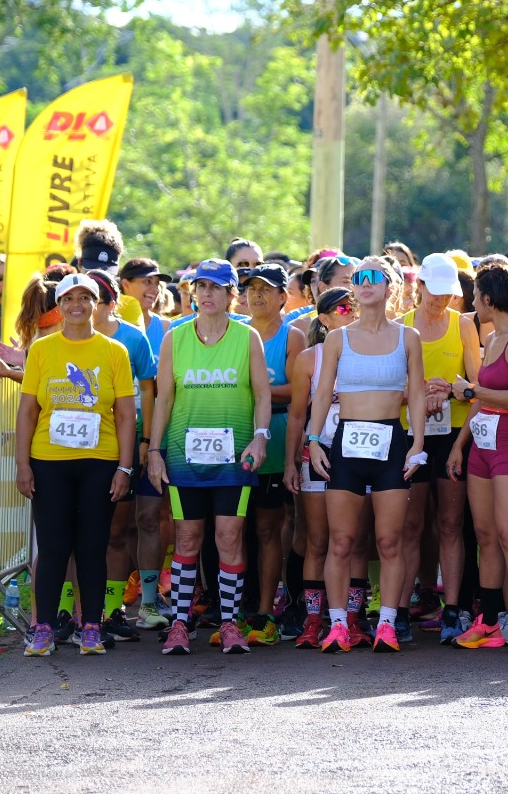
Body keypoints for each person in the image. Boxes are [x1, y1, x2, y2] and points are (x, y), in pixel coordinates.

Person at [146, 259, 274, 656]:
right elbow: (163, 398)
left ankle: (230, 623)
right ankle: (180, 623)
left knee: (230, 537)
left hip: (235, 458)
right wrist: (154, 451)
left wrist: (259, 438)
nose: (206, 294)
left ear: (230, 295)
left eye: (216, 287)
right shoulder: (175, 338)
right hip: (185, 457)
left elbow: (262, 393)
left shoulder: (247, 337)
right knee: (187, 537)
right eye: (200, 286)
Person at [305, 257, 427, 653]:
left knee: (389, 541)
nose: (366, 283)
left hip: (392, 441)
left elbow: (419, 394)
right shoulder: (337, 339)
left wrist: (418, 444)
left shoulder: (408, 337)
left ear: (390, 287)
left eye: (375, 277)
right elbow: (323, 394)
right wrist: (313, 440)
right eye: (360, 278)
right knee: (341, 541)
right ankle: (338, 623)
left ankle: (387, 622)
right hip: (346, 443)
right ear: (354, 289)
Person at [16, 274, 137, 656]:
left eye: (85, 298)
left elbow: (125, 415)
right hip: (49, 461)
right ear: (59, 304)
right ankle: (44, 628)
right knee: (53, 548)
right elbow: (27, 411)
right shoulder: (41, 350)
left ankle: (90, 626)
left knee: (91, 547)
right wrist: (23, 464)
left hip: (99, 461)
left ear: (97, 303)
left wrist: (125, 468)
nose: (76, 306)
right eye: (69, 298)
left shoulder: (114, 351)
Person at [447, 263, 508, 653]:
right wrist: (459, 443)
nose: (472, 303)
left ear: (488, 299)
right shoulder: (491, 339)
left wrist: (470, 392)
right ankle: (487, 621)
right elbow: (482, 398)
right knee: (485, 536)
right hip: (482, 443)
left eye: (475, 297)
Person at [405, 251, 482, 642]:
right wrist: (419, 395)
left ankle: (453, 610)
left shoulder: (463, 326)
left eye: (447, 293)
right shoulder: (400, 327)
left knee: (451, 523)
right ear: (418, 287)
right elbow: (388, 391)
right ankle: (398, 610)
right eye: (433, 292)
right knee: (410, 525)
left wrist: (452, 393)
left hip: (453, 434)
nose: (440, 300)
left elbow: (478, 390)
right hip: (410, 434)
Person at [86, 270, 158, 647]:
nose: (84, 307)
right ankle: (75, 612)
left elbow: (149, 390)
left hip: (128, 444)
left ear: (110, 303)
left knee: (121, 530)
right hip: (84, 447)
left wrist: (146, 440)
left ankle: (115, 611)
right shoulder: (68, 339)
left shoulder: (133, 337)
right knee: (81, 532)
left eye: (93, 299)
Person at [282, 289, 357, 648]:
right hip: (319, 451)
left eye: (354, 307)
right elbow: (297, 414)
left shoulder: (372, 352)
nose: (351, 312)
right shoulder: (310, 358)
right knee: (317, 539)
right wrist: (289, 464)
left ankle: (353, 619)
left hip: (361, 451)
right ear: (324, 318)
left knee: (355, 540)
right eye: (343, 308)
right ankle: (313, 619)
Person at [241, 263, 307, 645]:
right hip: (236, 433)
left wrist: (256, 390)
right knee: (233, 529)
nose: (258, 296)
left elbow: (297, 393)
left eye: (266, 289)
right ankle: (234, 608)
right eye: (251, 289)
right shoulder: (235, 332)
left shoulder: (291, 336)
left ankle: (265, 611)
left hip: (277, 434)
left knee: (268, 527)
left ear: (284, 296)